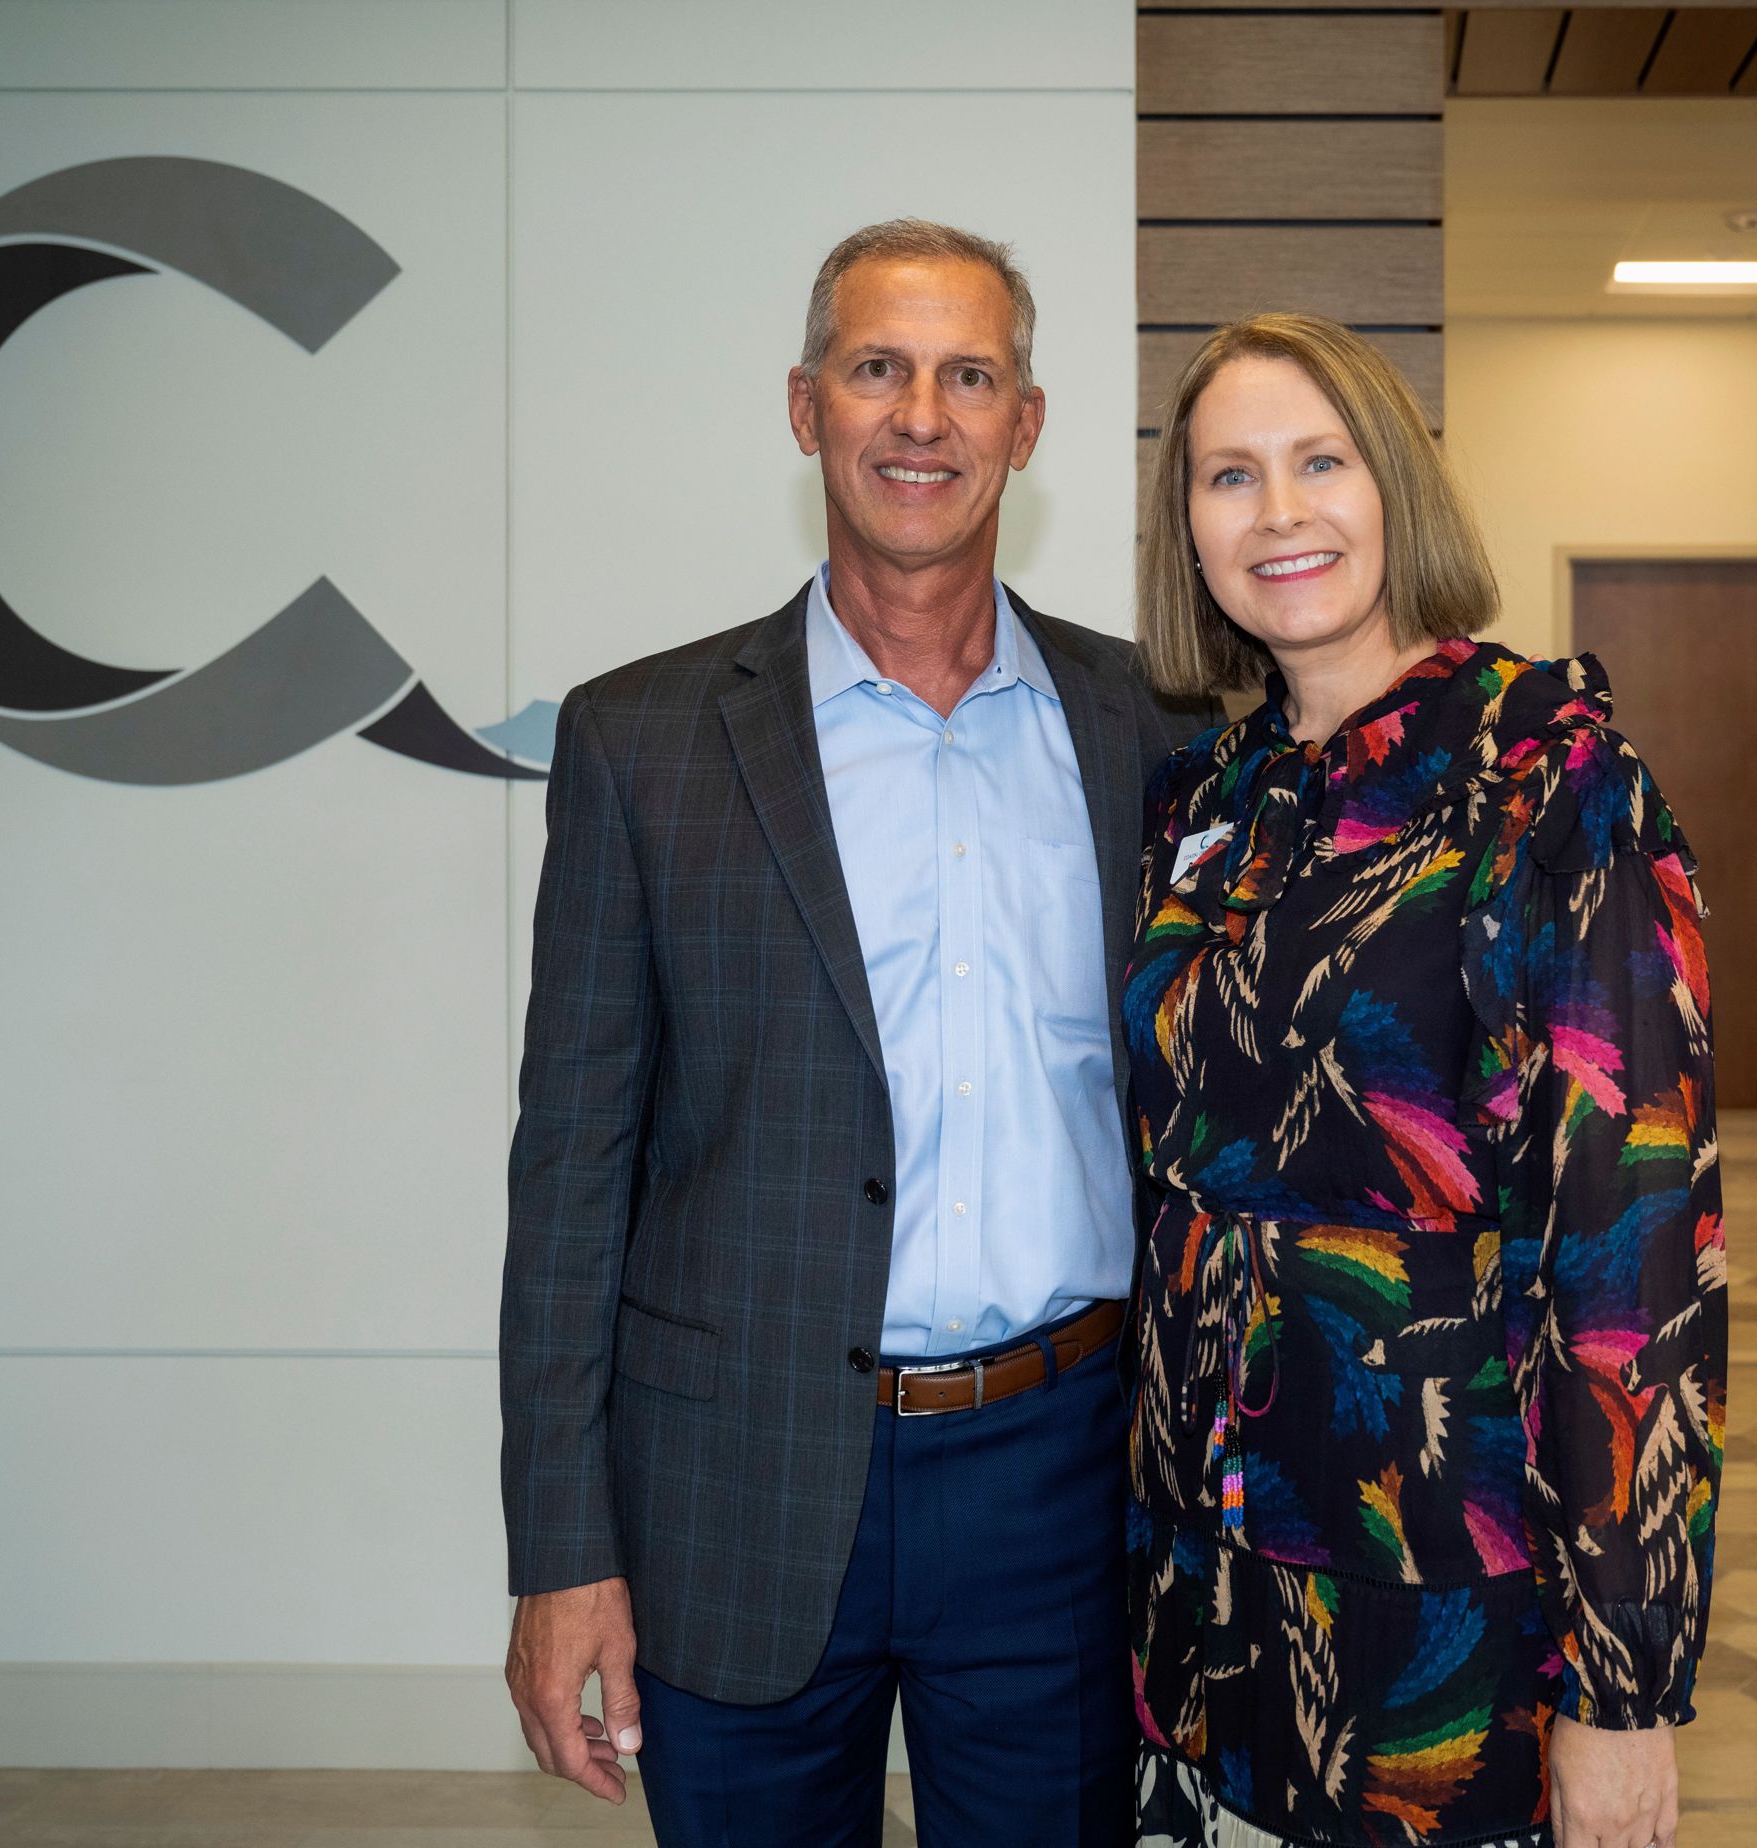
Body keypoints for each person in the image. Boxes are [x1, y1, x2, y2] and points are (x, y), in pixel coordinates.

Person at [499, 218, 1215, 1845]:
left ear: (1027, 425)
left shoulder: (1156, 734)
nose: (923, 416)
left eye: (971, 376)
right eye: (879, 368)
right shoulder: (645, 742)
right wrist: (560, 1549)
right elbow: (572, 1172)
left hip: (1060, 1475)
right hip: (734, 1478)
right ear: (805, 403)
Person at [1124, 311, 1726, 1848]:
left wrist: (1620, 1688)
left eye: (1321, 461)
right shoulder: (1208, 799)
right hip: (1201, 1617)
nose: (1279, 513)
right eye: (1229, 477)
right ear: (1186, 532)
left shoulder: (1549, 780)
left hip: (1443, 1638)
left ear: (1396, 484)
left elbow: (1631, 1261)